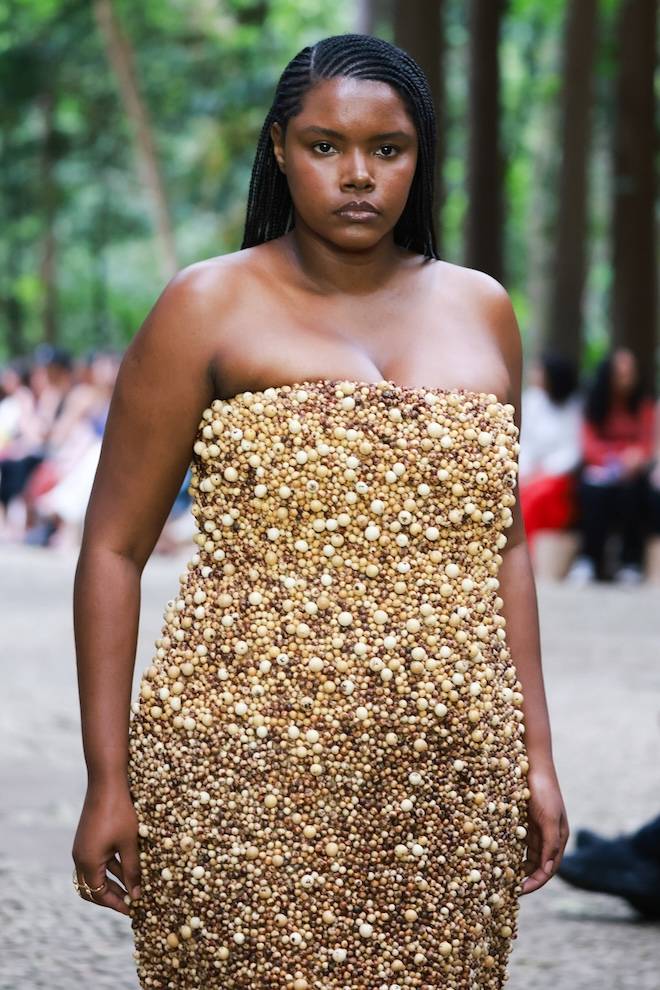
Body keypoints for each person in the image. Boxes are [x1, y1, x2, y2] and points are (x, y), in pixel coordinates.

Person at [70, 34, 568, 990]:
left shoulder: (482, 309)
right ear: (278, 150)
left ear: (421, 161)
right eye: (324, 145)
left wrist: (535, 756)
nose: (357, 177)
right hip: (242, 762)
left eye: (388, 150)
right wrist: (108, 778)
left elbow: (503, 550)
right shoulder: (206, 305)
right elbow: (113, 548)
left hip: (449, 776)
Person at [567, 347, 656, 585]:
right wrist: (612, 459)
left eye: (630, 372)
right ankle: (589, 559)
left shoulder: (644, 406)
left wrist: (635, 458)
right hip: (599, 472)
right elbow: (588, 445)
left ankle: (631, 562)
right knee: (591, 492)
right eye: (621, 372)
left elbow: (647, 444)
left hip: (633, 475)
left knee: (634, 493)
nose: (627, 378)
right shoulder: (593, 405)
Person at [517, 351, 582, 553]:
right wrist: (528, 470)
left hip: (558, 475)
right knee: (522, 494)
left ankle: (530, 551)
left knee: (538, 495)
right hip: (530, 470)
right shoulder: (531, 401)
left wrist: (545, 471)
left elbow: (574, 449)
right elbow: (524, 440)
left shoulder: (575, 407)